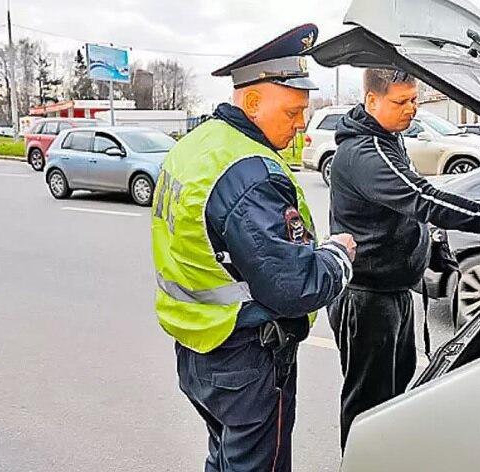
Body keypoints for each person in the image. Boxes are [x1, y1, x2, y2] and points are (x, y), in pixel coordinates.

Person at [151, 24, 355, 472]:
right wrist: (339, 255)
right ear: (255, 101)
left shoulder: (196, 146)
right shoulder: (251, 172)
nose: (302, 123)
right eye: (293, 111)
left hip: (199, 350)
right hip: (248, 361)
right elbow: (294, 286)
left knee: (223, 457)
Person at [328, 68, 480, 449]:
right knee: (368, 408)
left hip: (391, 293)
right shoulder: (365, 153)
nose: (411, 109)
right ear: (371, 100)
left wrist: (432, 251)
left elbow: (406, 212)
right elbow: (423, 198)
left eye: (414, 99)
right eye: (401, 102)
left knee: (394, 398)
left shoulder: (388, 138)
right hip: (366, 299)